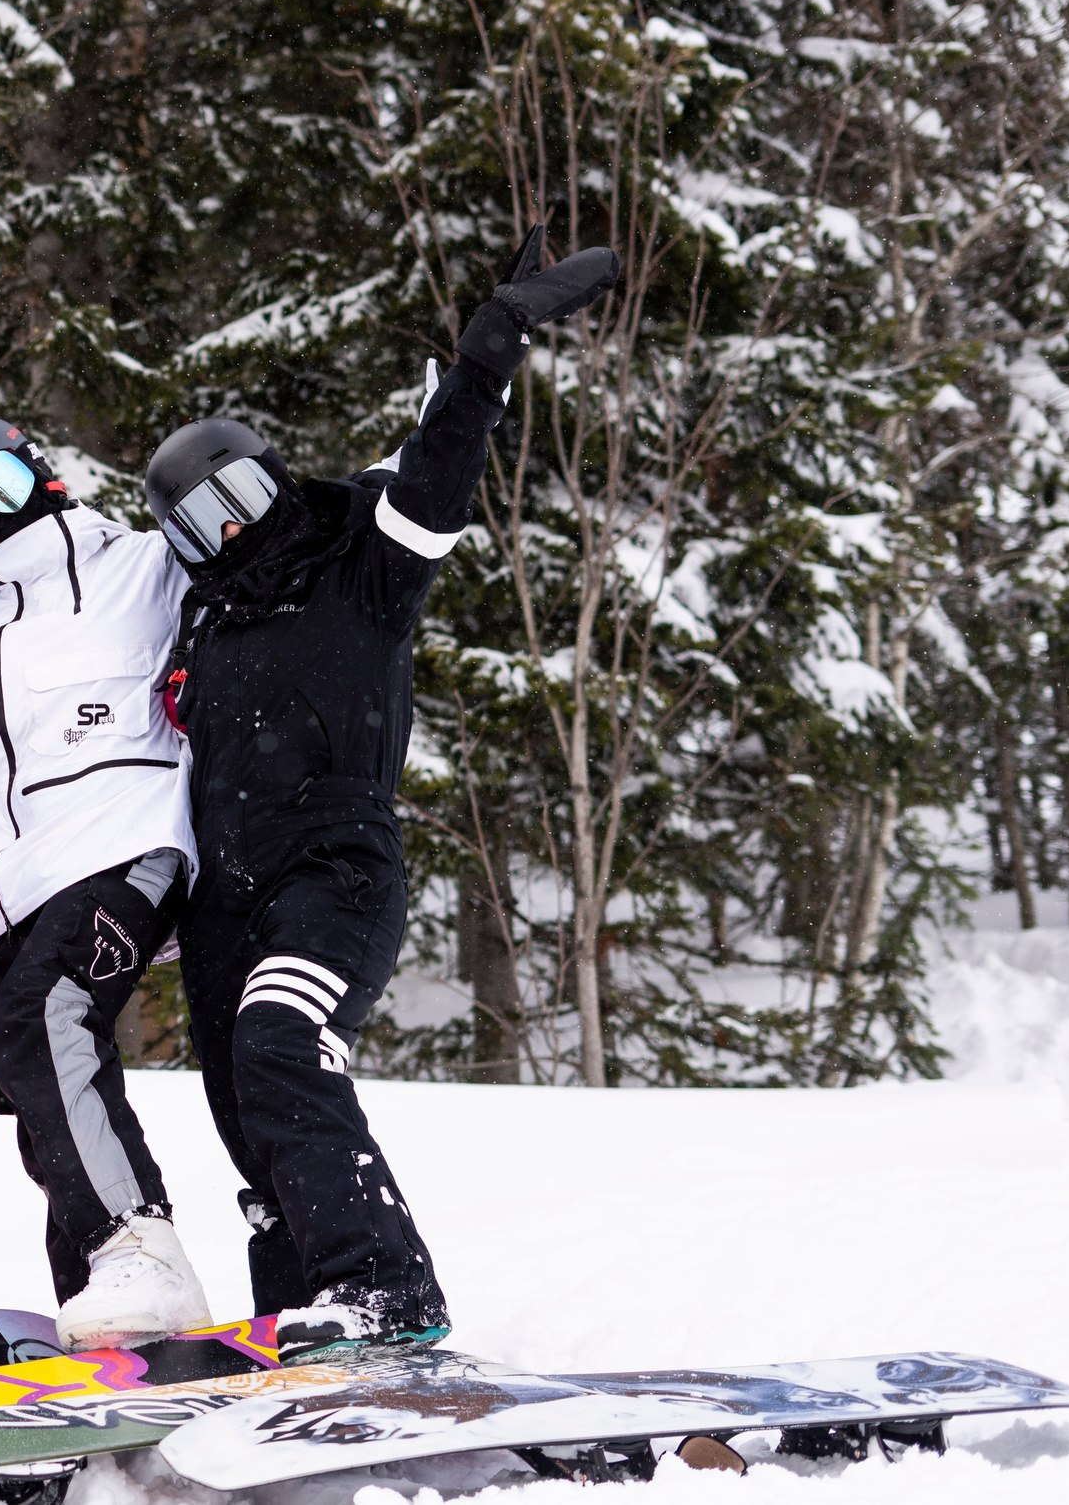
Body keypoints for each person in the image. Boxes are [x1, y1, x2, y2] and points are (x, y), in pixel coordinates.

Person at [143, 228, 620, 1347]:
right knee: (240, 1100)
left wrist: (488, 353)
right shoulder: (201, 620)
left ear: (271, 477)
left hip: (333, 869)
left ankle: (385, 1289)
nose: (231, 528)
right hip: (221, 892)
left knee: (282, 1044)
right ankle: (296, 1307)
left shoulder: (358, 563)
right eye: (200, 522)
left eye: (238, 495)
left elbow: (436, 469)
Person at [0, 415, 208, 1349]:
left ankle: (138, 1245)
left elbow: (266, 573)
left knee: (49, 1015)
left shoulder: (146, 565)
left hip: (128, 838)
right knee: (36, 1082)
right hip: (25, 886)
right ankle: (103, 1302)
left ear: (38, 469)